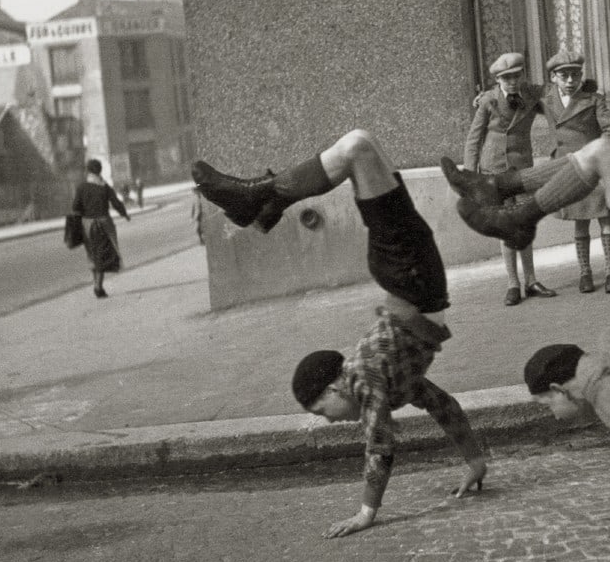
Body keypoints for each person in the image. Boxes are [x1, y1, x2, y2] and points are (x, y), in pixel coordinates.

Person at [192, 130, 488, 539]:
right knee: (362, 148)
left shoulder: (366, 377)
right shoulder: (391, 380)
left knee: (357, 148)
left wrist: (367, 512)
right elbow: (444, 405)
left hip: (410, 275)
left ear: (335, 388)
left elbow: (380, 445)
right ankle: (266, 203)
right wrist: (475, 462)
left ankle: (262, 198)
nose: (329, 421)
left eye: (320, 411)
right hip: (414, 274)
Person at [441, 135, 610, 523]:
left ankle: (516, 217)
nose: (550, 413)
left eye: (546, 403)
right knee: (604, 154)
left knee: (603, 153)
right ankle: (500, 194)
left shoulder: (600, 384)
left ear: (558, 388)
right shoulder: (606, 381)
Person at [463, 51, 556, 307]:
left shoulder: (530, 96)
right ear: (498, 80)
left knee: (525, 224)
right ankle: (512, 283)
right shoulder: (488, 102)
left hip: (521, 170)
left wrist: (589, 91)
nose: (513, 82)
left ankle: (532, 280)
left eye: (517, 76)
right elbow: (473, 138)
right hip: (494, 170)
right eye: (507, 79)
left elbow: (555, 92)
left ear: (523, 75)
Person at [541, 48, 610, 295]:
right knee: (579, 223)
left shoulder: (593, 100)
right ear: (553, 77)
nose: (570, 81)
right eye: (564, 76)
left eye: (575, 75)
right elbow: (516, 96)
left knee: (605, 220)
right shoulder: (547, 100)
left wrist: (597, 150)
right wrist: (485, 99)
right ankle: (585, 273)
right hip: (569, 170)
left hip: (594, 168)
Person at [70, 158, 129, 298]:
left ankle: (98, 285)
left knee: (93, 255)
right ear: (100, 171)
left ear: (88, 171)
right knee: (103, 255)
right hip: (104, 224)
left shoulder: (81, 187)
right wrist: (124, 214)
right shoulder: (105, 186)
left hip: (88, 226)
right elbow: (116, 203)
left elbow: (75, 207)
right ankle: (98, 287)